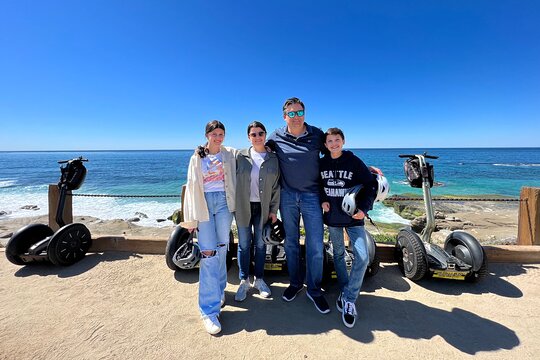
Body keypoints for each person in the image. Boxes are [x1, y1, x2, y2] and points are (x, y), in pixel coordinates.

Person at [266, 97, 330, 314]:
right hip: (287, 196)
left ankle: (314, 289)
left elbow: (334, 154)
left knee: (315, 245)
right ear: (284, 116)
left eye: (299, 112)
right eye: (291, 113)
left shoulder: (317, 135)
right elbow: (257, 152)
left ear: (305, 113)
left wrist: (363, 168)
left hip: (312, 196)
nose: (296, 117)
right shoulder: (276, 136)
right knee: (291, 242)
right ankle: (295, 283)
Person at [180, 120, 237, 335]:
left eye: (221, 134)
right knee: (208, 253)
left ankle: (219, 289)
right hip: (203, 205)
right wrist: (189, 220)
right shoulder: (197, 157)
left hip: (224, 203)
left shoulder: (229, 153)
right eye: (214, 134)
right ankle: (209, 311)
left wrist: (267, 147)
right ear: (207, 135)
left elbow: (251, 152)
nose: (218, 137)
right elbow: (191, 186)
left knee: (222, 249)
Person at [319, 127, 377, 328]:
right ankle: (345, 290)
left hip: (354, 219)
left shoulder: (353, 161)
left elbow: (370, 185)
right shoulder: (322, 162)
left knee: (363, 256)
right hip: (333, 218)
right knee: (338, 254)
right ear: (325, 145)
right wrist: (323, 200)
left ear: (343, 141)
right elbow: (317, 184)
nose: (333, 144)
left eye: (337, 140)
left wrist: (364, 209)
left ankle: (350, 298)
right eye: (330, 141)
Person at [234, 121, 281, 301]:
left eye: (260, 133)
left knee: (261, 245)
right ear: (248, 137)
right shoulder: (240, 156)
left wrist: (274, 210)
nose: (257, 137)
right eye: (253, 134)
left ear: (265, 135)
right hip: (243, 207)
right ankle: (243, 281)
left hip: (263, 208)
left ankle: (259, 279)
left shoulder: (273, 158)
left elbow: (276, 187)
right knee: (244, 244)